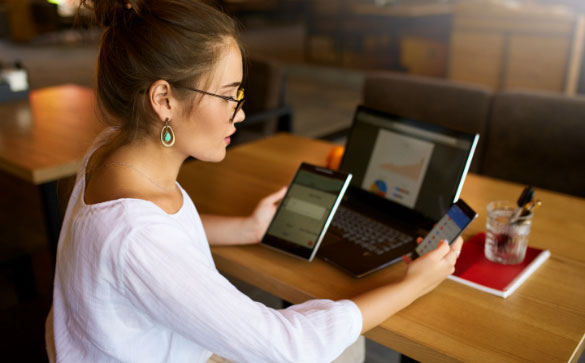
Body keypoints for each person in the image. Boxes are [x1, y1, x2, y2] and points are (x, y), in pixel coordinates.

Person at [46, 1, 462, 362]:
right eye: (229, 97)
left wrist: (249, 228)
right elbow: (289, 347)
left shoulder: (110, 151)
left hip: (112, 344)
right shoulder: (136, 236)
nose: (240, 114)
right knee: (346, 348)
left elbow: (155, 236)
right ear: (163, 99)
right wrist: (414, 284)